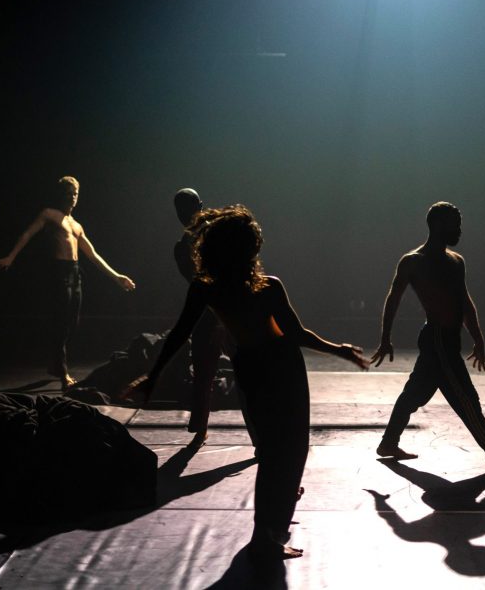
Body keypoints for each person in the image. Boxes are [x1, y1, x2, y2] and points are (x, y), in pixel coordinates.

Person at [124, 205, 369, 563]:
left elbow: (179, 334)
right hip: (282, 367)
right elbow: (296, 334)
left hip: (251, 367)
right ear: (249, 248)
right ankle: (267, 537)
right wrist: (339, 349)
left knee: (273, 453)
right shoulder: (269, 286)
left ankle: (266, 534)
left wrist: (153, 375)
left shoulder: (206, 288)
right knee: (289, 451)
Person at [371, 202, 485, 469]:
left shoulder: (457, 261)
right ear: (437, 225)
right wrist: (385, 337)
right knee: (466, 397)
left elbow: (464, 301)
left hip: (448, 339)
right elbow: (394, 298)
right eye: (454, 224)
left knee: (414, 394)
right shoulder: (414, 261)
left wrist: (478, 337)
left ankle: (389, 442)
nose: (459, 230)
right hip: (438, 339)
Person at [0, 176, 136, 388]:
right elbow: (28, 234)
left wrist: (117, 277)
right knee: (61, 323)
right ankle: (63, 374)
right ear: (61, 195)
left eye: (75, 194)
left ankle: (55, 362)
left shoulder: (77, 225)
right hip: (58, 272)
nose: (72, 197)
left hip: (74, 273)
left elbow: (93, 255)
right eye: (68, 193)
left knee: (72, 322)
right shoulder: (49, 214)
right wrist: (10, 257)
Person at [173, 189, 229, 448]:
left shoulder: (216, 235)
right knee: (203, 374)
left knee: (241, 371)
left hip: (226, 310)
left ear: (200, 206)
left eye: (187, 208)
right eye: (180, 210)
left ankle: (259, 434)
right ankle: (200, 429)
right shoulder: (183, 247)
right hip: (209, 312)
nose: (183, 214)